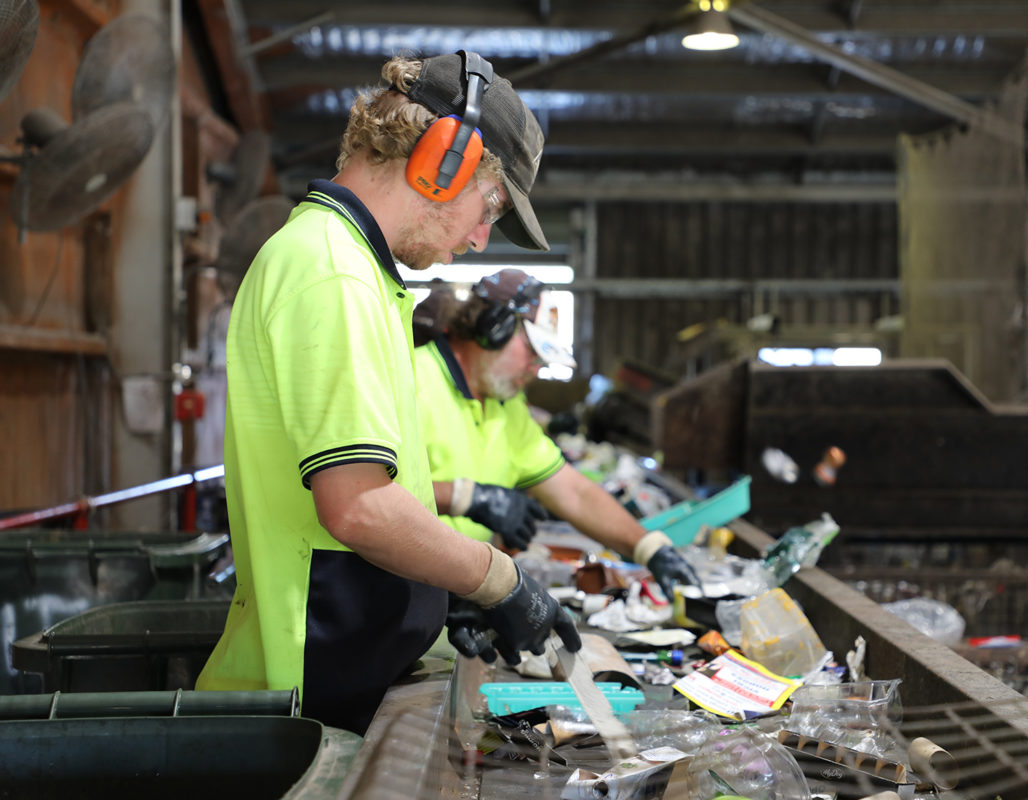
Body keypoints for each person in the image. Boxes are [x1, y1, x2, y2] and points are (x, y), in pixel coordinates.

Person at [196, 52, 580, 737]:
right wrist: (498, 580)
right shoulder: (332, 274)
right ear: (444, 161)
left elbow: (377, 492)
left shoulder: (350, 267)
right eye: (489, 207)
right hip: (313, 695)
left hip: (339, 667)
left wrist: (435, 592)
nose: (480, 238)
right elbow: (361, 509)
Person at [414, 269, 701, 595]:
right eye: (532, 352)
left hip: (457, 594)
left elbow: (572, 491)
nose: (536, 369)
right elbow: (360, 490)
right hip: (402, 592)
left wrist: (648, 547)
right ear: (493, 328)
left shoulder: (505, 406)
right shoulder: (412, 379)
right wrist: (465, 497)